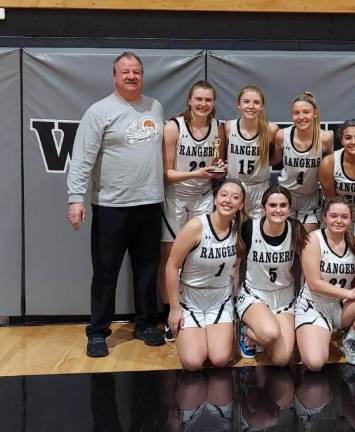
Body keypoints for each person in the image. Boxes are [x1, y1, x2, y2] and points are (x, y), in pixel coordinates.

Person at [67, 52, 165, 357]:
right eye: (126, 72)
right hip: (111, 205)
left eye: (137, 71)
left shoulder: (155, 107)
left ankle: (146, 324)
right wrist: (75, 199)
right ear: (114, 76)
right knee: (106, 272)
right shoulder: (99, 112)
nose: (132, 76)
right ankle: (98, 332)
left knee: (147, 268)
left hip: (150, 202)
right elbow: (82, 159)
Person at [160, 80, 227, 340]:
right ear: (189, 100)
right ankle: (170, 314)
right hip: (176, 197)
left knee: (201, 256)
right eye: (198, 99)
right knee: (170, 259)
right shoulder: (173, 128)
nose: (203, 104)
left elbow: (218, 165)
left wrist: (218, 169)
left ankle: (199, 309)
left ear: (213, 103)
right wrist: (196, 173)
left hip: (202, 196)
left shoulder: (218, 129)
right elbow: (166, 174)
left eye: (208, 100)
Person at [165, 180, 247, 370]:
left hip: (220, 298)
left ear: (241, 204)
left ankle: (235, 326)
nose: (228, 200)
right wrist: (174, 309)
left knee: (219, 359)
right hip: (191, 297)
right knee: (193, 362)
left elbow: (238, 264)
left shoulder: (240, 229)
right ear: (215, 198)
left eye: (235, 197)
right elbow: (171, 266)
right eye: (223, 195)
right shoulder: (196, 226)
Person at [295, 197, 355, 370]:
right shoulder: (313, 239)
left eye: (344, 216)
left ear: (350, 220)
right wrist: (349, 294)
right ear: (324, 217)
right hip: (314, 305)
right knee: (315, 363)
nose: (339, 220)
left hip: (340, 308)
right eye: (333, 216)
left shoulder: (354, 243)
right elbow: (313, 283)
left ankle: (349, 341)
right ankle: (313, 332)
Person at [235, 185, 309, 365]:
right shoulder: (249, 228)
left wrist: (303, 298)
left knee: (282, 360)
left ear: (290, 209)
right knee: (270, 333)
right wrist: (232, 298)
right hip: (255, 295)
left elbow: (307, 267)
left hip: (284, 297)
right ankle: (247, 332)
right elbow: (236, 265)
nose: (278, 210)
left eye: (283, 205)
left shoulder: (296, 228)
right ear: (263, 208)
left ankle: (261, 333)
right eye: (273, 205)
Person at [275, 92, 334, 232]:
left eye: (306, 112)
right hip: (285, 195)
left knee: (306, 243)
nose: (301, 117)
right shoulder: (282, 135)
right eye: (296, 113)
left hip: (311, 199)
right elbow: (274, 160)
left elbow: (329, 169)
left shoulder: (325, 138)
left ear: (315, 114)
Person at [225, 85, 280, 218]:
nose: (251, 106)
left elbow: (274, 159)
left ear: (262, 106)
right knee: (233, 232)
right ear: (239, 104)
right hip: (234, 187)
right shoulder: (229, 126)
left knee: (257, 234)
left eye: (256, 102)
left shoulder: (271, 129)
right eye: (246, 101)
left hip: (260, 188)